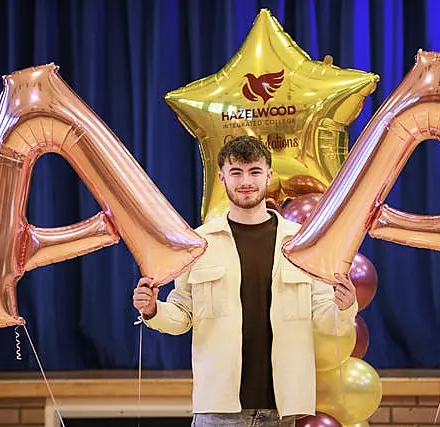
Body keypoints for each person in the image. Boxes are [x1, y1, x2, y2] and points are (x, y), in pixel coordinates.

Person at [133, 136, 358, 427]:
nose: (245, 181)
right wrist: (153, 309)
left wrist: (345, 305)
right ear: (221, 177)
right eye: (236, 172)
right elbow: (182, 315)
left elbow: (327, 320)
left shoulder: (301, 243)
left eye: (254, 172)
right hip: (217, 409)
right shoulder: (199, 243)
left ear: (269, 175)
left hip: (282, 409)